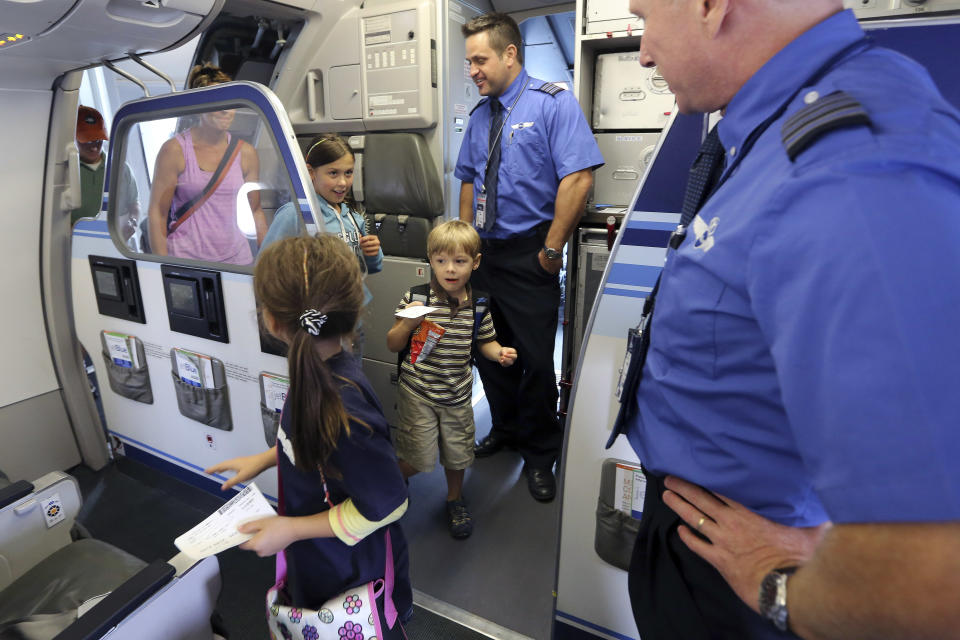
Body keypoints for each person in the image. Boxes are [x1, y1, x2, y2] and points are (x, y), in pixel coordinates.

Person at [607, 1, 960, 639]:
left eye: (645, 17)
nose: (645, 52)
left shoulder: (853, 172)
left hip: (739, 591)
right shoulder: (780, 125)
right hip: (704, 538)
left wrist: (782, 594)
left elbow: (936, 573)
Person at [204, 234, 411, 636]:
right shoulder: (314, 372)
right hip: (317, 553)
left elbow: (388, 505)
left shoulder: (346, 407)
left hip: (350, 572)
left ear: (271, 321)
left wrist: (291, 529)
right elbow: (314, 445)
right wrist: (267, 458)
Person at [455, 12, 603, 501]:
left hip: (529, 253)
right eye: (469, 61)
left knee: (537, 360)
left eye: (480, 60)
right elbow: (470, 181)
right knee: (490, 354)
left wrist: (551, 248)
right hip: (485, 257)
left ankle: (541, 454)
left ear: (510, 54)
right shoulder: (480, 117)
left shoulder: (551, 104)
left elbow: (578, 177)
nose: (472, 70)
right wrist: (464, 247)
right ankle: (507, 429)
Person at [386, 220, 517, 539]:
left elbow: (484, 342)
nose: (450, 269)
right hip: (418, 392)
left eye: (460, 261)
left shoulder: (480, 305)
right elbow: (393, 343)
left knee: (458, 453)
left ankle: (454, 499)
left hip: (457, 394)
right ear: (430, 259)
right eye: (441, 260)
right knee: (419, 456)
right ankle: (390, 478)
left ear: (476, 262)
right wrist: (407, 323)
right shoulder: (416, 297)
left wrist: (498, 352)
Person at [263, 135, 383, 355]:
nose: (343, 182)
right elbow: (266, 268)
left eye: (348, 173)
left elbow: (372, 268)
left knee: (347, 379)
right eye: (333, 173)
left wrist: (372, 254)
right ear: (311, 172)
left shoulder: (352, 216)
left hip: (351, 323)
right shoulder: (296, 214)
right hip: (317, 330)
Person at [146, 63, 267, 264]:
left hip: (237, 261)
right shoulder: (174, 151)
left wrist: (265, 261)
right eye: (217, 102)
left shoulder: (246, 153)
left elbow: (256, 210)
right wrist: (164, 268)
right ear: (199, 107)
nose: (226, 111)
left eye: (230, 102)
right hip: (187, 262)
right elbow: (157, 213)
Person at [72, 105, 141, 249]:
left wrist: (133, 221)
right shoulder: (67, 172)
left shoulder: (121, 168)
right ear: (74, 138)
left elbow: (134, 203)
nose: (94, 147)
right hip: (81, 244)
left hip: (119, 243)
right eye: (88, 141)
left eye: (98, 140)